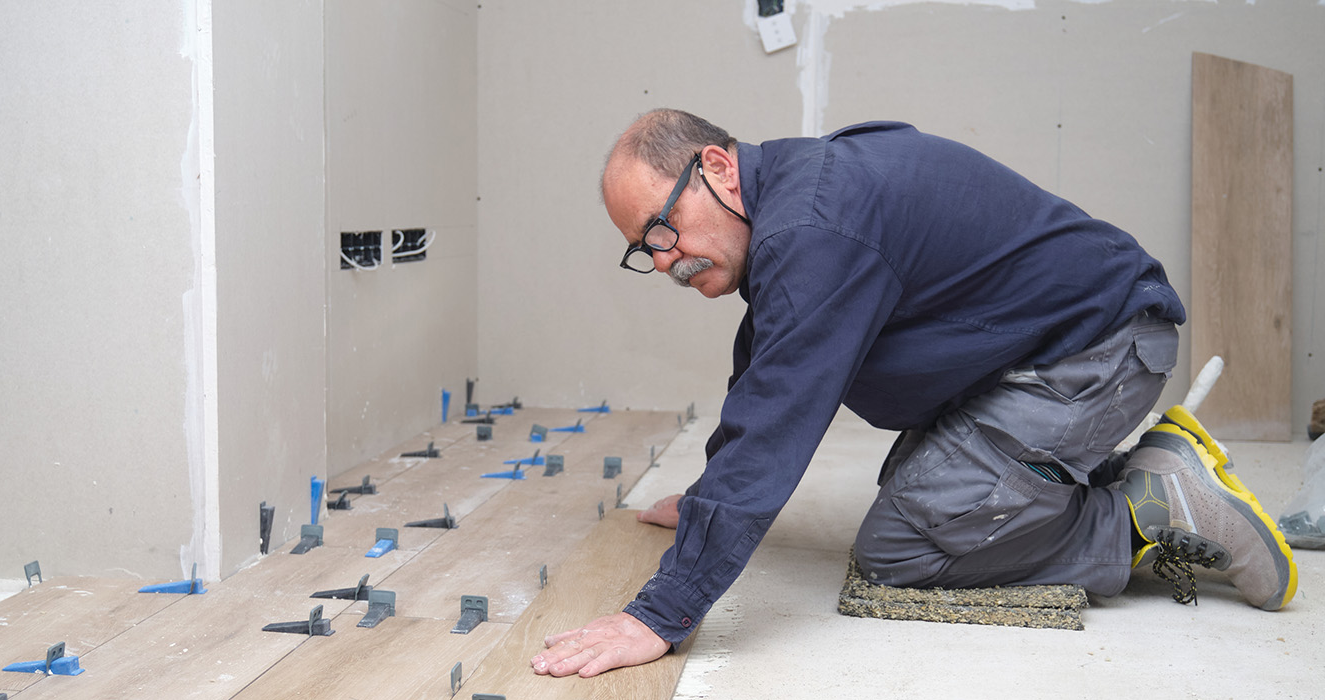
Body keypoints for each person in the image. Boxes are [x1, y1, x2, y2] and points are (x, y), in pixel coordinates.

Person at [530, 108, 1299, 679]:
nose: (663, 262)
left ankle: (1137, 514)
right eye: (644, 251)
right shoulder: (800, 196)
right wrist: (706, 495)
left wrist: (662, 612)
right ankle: (1121, 473)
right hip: (1054, 352)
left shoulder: (813, 227)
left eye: (661, 230)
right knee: (923, 496)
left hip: (1095, 354)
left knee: (902, 543)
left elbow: (777, 417)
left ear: (719, 169)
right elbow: (766, 367)